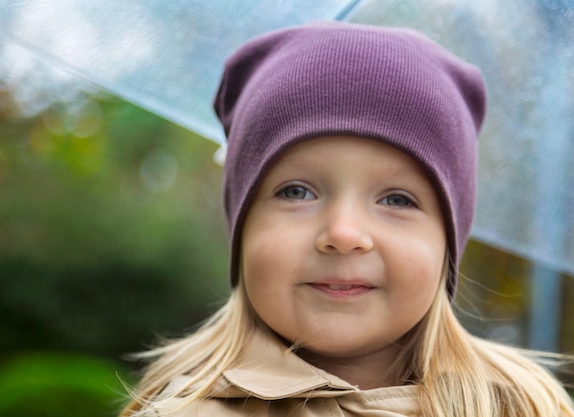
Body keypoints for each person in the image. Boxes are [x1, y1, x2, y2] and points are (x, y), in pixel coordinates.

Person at [120, 22, 574, 417]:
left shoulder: (523, 408)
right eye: (296, 191)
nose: (343, 234)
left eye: (397, 199)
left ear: (448, 242)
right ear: (242, 228)